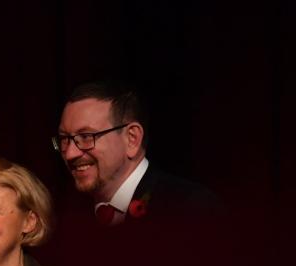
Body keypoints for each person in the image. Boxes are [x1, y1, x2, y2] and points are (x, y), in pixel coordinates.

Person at [55, 81, 222, 227]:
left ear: (132, 139)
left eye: (86, 137)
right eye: (64, 139)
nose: (70, 153)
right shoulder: (64, 218)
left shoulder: (190, 210)